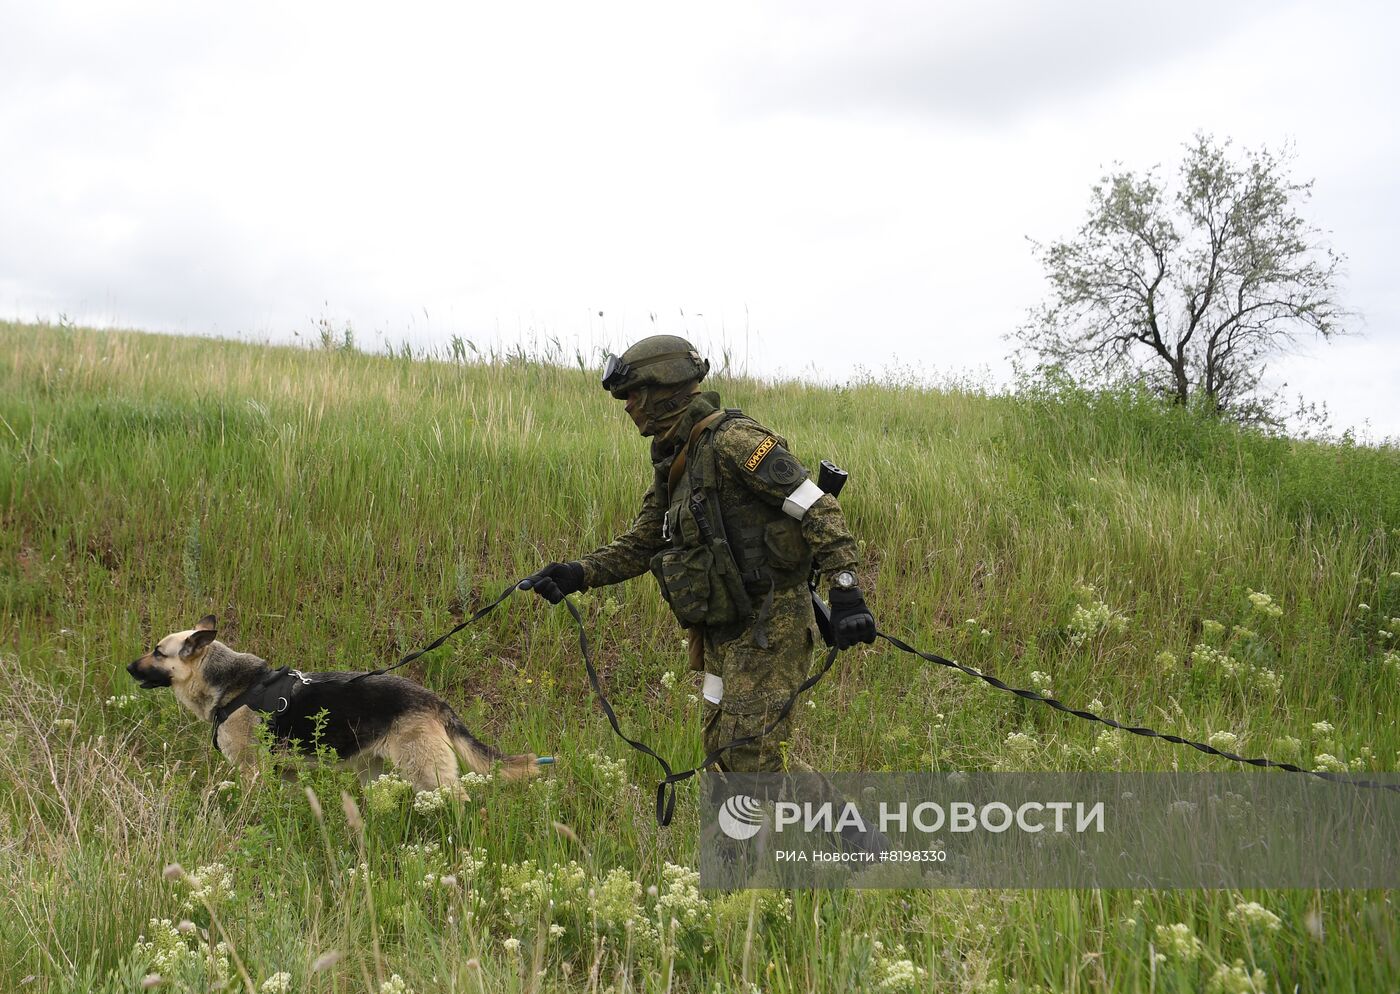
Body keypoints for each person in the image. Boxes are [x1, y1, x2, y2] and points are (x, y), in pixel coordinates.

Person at [521, 334, 876, 776]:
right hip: (722, 629)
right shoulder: (676, 461)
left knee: (752, 757)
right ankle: (856, 836)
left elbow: (816, 506)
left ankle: (777, 845)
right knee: (723, 752)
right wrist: (578, 573)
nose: (628, 407)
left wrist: (846, 590)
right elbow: (644, 541)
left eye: (632, 395)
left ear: (661, 389)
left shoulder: (734, 440)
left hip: (772, 624)